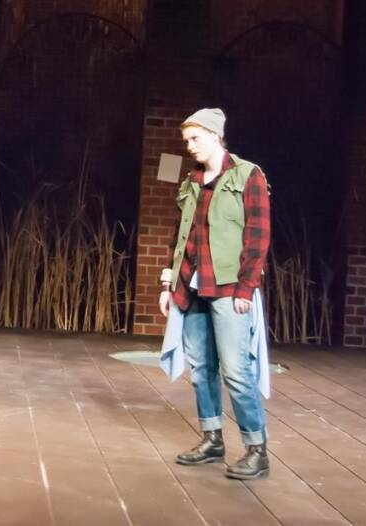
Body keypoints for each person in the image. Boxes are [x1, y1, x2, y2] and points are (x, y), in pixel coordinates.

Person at [159, 108, 272, 480]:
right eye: (186, 141)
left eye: (195, 139)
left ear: (215, 136)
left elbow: (257, 236)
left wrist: (247, 286)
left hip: (228, 288)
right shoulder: (191, 181)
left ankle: (256, 450)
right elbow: (180, 236)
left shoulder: (247, 175)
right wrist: (168, 283)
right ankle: (212, 439)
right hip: (192, 286)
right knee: (201, 370)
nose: (190, 147)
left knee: (237, 371)